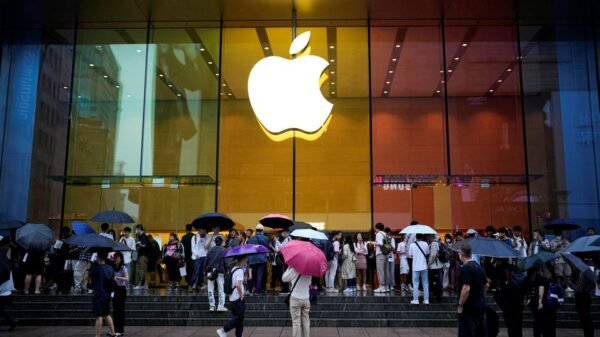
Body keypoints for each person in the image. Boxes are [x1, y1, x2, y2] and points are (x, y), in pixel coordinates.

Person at [457, 242, 487, 337]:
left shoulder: (466, 268)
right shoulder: (478, 267)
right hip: (480, 304)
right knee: (478, 331)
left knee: (466, 332)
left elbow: (466, 288)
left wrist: (460, 304)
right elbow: (486, 284)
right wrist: (480, 295)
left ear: (462, 254)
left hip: (469, 306)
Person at [217, 255, 247, 337]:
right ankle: (223, 330)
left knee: (239, 319)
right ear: (242, 259)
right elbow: (237, 284)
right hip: (237, 298)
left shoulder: (233, 268)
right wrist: (241, 294)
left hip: (232, 297)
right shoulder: (240, 270)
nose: (246, 260)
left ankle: (238, 335)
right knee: (239, 318)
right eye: (245, 258)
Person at [88, 251, 116, 337]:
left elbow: (86, 277)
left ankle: (98, 335)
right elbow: (113, 278)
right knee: (106, 314)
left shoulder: (96, 268)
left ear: (99, 258)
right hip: (107, 294)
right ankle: (113, 332)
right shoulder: (110, 268)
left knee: (98, 316)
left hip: (99, 293)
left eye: (96, 257)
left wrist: (88, 268)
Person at [282, 266, 312, 337]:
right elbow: (309, 283)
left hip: (295, 298)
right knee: (306, 321)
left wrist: (288, 268)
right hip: (306, 298)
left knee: (296, 322)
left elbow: (284, 278)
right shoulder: (310, 270)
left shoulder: (295, 269)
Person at [529, 262, 556, 337]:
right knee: (543, 323)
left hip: (535, 302)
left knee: (537, 322)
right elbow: (541, 288)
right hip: (542, 302)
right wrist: (540, 302)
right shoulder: (541, 277)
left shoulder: (533, 276)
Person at [205, 236, 226, 312]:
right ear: (221, 242)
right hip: (220, 271)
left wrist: (205, 271)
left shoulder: (210, 250)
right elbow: (225, 262)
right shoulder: (224, 250)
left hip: (210, 271)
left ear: (215, 242)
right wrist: (227, 270)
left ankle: (212, 306)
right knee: (221, 289)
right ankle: (220, 306)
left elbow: (206, 261)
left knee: (210, 289)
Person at [573, 267, 596, 337]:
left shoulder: (585, 274)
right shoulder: (582, 273)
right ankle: (588, 334)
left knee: (585, 318)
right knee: (585, 319)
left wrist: (572, 285)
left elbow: (580, 288)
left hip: (583, 298)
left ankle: (589, 334)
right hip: (583, 297)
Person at [247, 224, 269, 294]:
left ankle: (249, 290)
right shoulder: (266, 238)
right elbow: (266, 248)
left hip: (252, 258)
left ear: (256, 231)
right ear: (262, 230)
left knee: (252, 275)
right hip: (261, 258)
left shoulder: (251, 238)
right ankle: (257, 291)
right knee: (259, 275)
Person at [408, 234, 429, 304]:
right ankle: (426, 300)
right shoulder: (425, 244)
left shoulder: (412, 245)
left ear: (416, 237)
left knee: (415, 284)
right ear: (422, 237)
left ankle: (416, 300)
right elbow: (427, 253)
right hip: (424, 266)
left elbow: (410, 255)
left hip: (415, 267)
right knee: (425, 283)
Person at [112, 252, 128, 337]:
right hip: (115, 289)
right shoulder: (113, 267)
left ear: (121, 259)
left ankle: (120, 330)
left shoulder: (123, 267)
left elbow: (126, 278)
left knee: (120, 310)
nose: (115, 259)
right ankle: (115, 330)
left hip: (121, 289)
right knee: (115, 310)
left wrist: (117, 277)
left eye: (117, 257)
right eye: (114, 257)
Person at [0, 251, 17, 331]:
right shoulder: (4, 259)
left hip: (3, 290)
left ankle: (11, 320)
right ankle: (11, 320)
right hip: (5, 289)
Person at [190, 227, 209, 292]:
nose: (203, 232)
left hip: (205, 256)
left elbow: (207, 247)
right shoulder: (194, 237)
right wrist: (196, 254)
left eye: (204, 230)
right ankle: (191, 284)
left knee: (202, 273)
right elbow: (192, 248)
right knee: (196, 272)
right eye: (202, 230)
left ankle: (198, 285)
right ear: (199, 230)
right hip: (197, 257)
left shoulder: (207, 237)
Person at [374, 223, 389, 293]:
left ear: (377, 228)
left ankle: (381, 286)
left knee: (380, 270)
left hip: (380, 254)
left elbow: (380, 243)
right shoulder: (385, 234)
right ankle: (386, 286)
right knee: (386, 270)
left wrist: (374, 243)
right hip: (386, 254)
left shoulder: (378, 234)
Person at [428, 235, 444, 303]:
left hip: (435, 266)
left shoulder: (433, 243)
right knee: (438, 281)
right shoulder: (438, 243)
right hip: (439, 265)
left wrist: (429, 263)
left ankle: (436, 297)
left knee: (435, 281)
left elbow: (433, 255)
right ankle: (438, 296)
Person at [134, 224, 149, 290]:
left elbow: (144, 245)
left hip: (143, 255)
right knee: (144, 270)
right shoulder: (139, 236)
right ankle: (145, 284)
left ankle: (140, 284)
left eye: (136, 229)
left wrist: (138, 244)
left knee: (141, 270)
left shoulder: (143, 235)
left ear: (140, 228)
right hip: (142, 255)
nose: (136, 231)